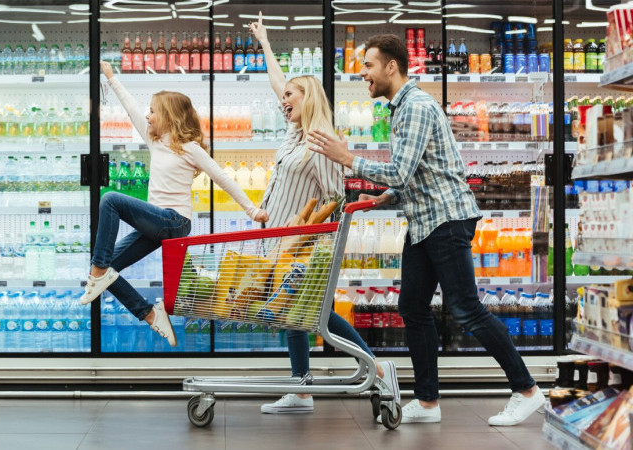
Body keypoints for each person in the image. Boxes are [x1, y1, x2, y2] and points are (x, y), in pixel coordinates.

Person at [307, 34, 545, 426]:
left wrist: (347, 158)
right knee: (412, 307)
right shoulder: (399, 108)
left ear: (391, 67)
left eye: (368, 65)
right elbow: (416, 175)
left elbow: (401, 170)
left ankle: (527, 390)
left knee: (466, 308)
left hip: (445, 220)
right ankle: (428, 402)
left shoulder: (414, 106)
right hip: (424, 220)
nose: (362, 73)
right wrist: (391, 197)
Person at [248, 14, 399, 415]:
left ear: (309, 98)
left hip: (303, 246)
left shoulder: (322, 139)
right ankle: (320, 384)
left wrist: (303, 236)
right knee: (306, 315)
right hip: (277, 239)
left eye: (292, 95)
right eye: (284, 96)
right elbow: (279, 84)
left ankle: (361, 372)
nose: (284, 100)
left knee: (309, 315)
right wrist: (265, 42)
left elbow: (334, 196)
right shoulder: (294, 132)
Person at [80, 60, 268, 347]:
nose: (148, 115)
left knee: (110, 200)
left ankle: (96, 273)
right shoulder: (154, 141)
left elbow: (221, 177)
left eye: (153, 111)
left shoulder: (190, 148)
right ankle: (150, 314)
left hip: (173, 221)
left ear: (168, 116)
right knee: (109, 269)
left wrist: (251, 209)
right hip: (155, 223)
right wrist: (110, 76)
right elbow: (130, 107)